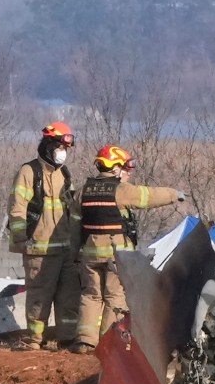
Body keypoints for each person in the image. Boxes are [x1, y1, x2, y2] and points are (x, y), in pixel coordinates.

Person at [73, 145, 189, 349]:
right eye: (123, 168)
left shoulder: (84, 190)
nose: (126, 173)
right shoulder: (120, 190)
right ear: (114, 167)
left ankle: (85, 340)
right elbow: (148, 196)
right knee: (114, 296)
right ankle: (109, 343)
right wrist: (173, 194)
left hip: (89, 254)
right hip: (114, 255)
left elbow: (74, 215)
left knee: (90, 295)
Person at [6, 122, 81, 350]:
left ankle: (67, 339)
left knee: (69, 299)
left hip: (65, 250)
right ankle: (35, 340)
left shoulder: (64, 174)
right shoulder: (29, 172)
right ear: (48, 145)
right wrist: (21, 239)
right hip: (39, 249)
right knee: (39, 297)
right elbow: (17, 208)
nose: (63, 152)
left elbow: (72, 210)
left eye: (65, 148)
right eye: (60, 146)